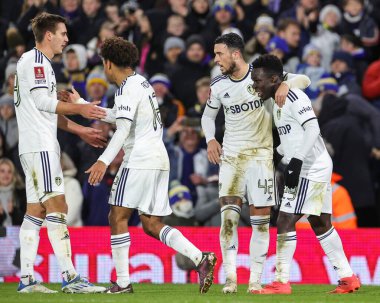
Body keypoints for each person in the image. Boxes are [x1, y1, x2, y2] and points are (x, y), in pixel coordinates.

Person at [83, 37, 217, 294]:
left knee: (117, 216)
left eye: (103, 64)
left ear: (109, 63)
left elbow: (121, 130)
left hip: (139, 159)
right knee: (151, 223)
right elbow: (120, 116)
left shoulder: (126, 87)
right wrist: (83, 106)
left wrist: (103, 160)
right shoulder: (140, 83)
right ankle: (201, 258)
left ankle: (122, 282)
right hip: (158, 158)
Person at [201, 33, 311, 294]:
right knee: (228, 219)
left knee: (260, 223)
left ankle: (255, 281)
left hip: (261, 157)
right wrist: (210, 140)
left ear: (235, 54)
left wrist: (285, 84)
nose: (216, 59)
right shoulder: (218, 85)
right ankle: (230, 279)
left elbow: (304, 80)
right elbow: (207, 117)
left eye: (219, 54)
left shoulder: (261, 76)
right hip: (231, 158)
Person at [250, 54, 360, 294]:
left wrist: (297, 162)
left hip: (310, 167)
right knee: (320, 223)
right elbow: (293, 136)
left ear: (274, 79)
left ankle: (282, 280)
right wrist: (278, 156)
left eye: (258, 81)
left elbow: (312, 128)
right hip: (310, 164)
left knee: (285, 220)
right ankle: (348, 277)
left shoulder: (292, 96)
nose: (255, 85)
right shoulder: (276, 101)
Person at [14, 12, 107, 293]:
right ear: (49, 35)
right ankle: (70, 277)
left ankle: (27, 279)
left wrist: (81, 130)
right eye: (63, 34)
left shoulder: (32, 62)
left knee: (35, 211)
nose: (67, 39)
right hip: (40, 146)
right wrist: (81, 108)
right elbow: (44, 103)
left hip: (33, 145)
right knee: (58, 206)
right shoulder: (37, 61)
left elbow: (44, 109)